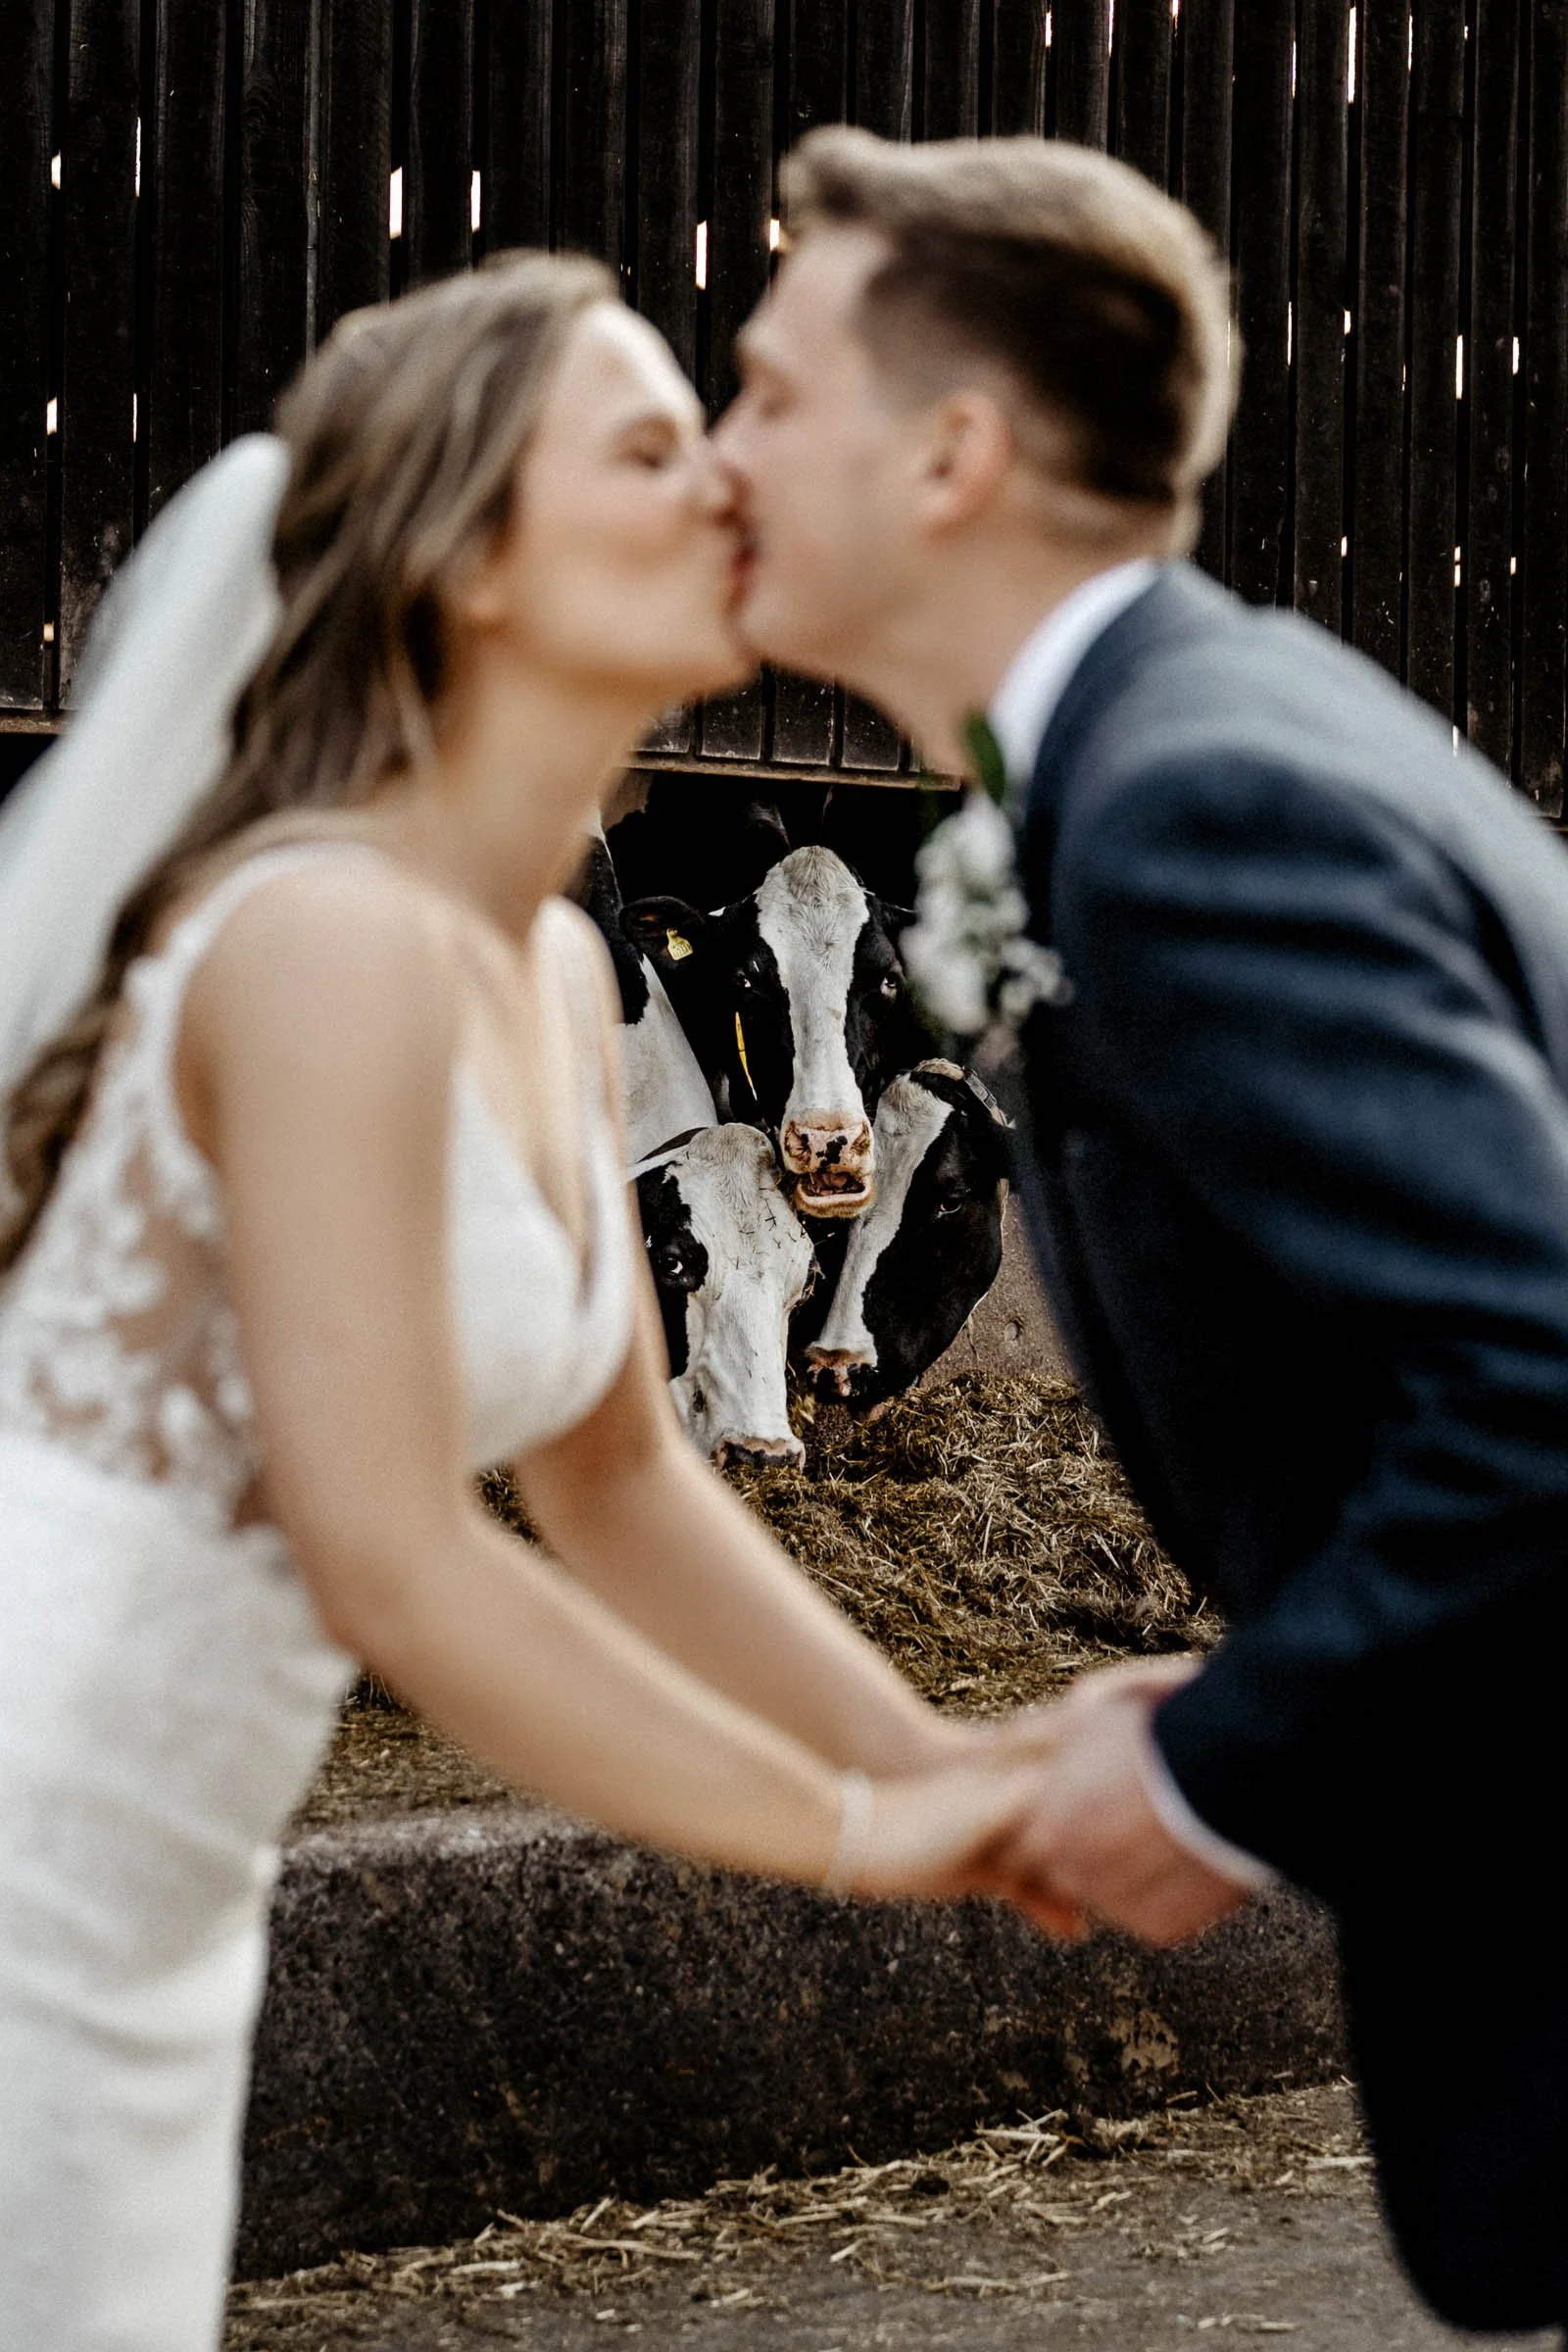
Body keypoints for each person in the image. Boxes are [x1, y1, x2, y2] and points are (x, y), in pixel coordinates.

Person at [0, 253, 1047, 2352]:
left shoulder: (560, 975)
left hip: (162, 1903)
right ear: (468, 556)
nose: (727, 483)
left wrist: (947, 1759)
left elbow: (619, 1479)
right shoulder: (321, 944)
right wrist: (859, 1839)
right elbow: (396, 1560)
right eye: (651, 447)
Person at [714, 126, 1568, 2336]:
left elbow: (1541, 1380)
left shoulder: (1202, 801)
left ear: (950, 457)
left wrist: (1215, 1769)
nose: (721, 455)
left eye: (770, 394)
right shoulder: (1204, 736)